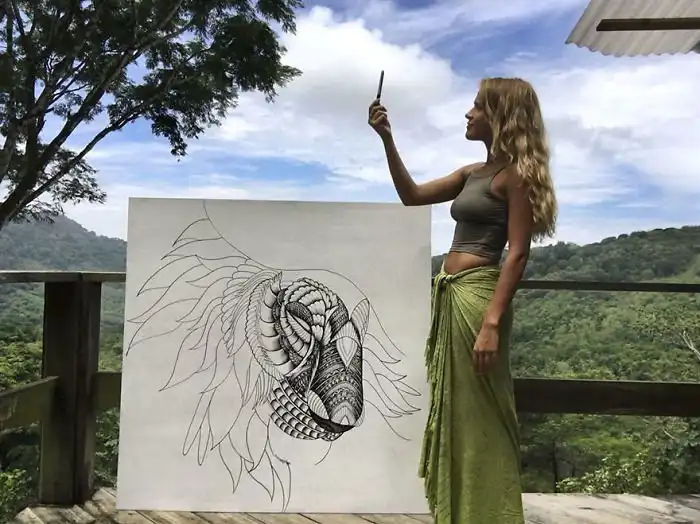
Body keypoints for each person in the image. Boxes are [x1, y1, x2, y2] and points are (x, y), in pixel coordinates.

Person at [368, 77, 557, 523]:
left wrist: (491, 323)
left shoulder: (517, 176)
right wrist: (387, 139)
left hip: (478, 300)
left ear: (501, 116)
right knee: (456, 406)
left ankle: (492, 512)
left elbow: (518, 252)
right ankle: (461, 511)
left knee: (482, 408)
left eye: (478, 107)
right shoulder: (473, 173)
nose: (469, 114)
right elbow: (412, 196)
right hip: (453, 297)